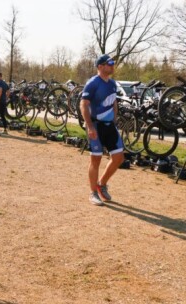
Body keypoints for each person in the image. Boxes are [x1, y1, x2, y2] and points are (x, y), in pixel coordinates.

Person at [79, 54, 125, 206]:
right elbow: (83, 105)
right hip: (96, 126)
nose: (112, 65)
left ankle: (102, 184)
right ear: (100, 66)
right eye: (109, 63)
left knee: (119, 157)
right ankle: (93, 193)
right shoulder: (92, 83)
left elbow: (114, 102)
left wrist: (114, 118)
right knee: (96, 159)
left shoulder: (112, 83)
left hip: (109, 125)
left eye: (113, 63)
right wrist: (90, 126)